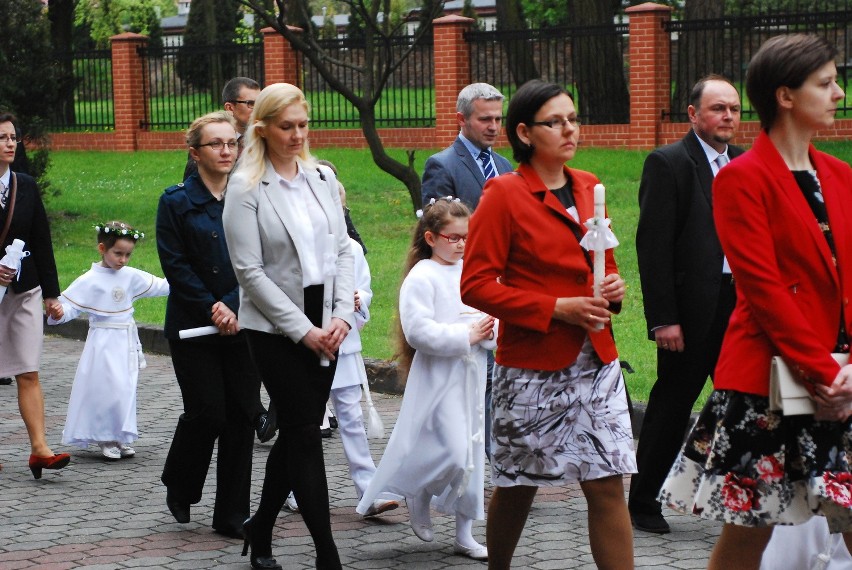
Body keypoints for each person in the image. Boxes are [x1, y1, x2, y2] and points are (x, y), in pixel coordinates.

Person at [658, 34, 852, 570]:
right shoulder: (742, 179)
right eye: (826, 82)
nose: (838, 92)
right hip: (769, 383)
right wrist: (822, 373)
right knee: (750, 534)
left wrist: (848, 373)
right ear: (785, 95)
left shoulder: (841, 176)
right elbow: (762, 289)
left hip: (842, 380)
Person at [461, 79, 635, 570]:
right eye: (554, 122)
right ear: (524, 132)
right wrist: (556, 307)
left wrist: (613, 290)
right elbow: (475, 285)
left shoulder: (589, 185)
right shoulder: (504, 194)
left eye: (573, 119)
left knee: (606, 485)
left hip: (595, 361)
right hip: (533, 367)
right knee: (518, 486)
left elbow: (604, 264)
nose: (568, 129)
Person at [223, 82, 354, 570]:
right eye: (287, 127)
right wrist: (302, 330)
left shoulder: (321, 177)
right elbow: (249, 273)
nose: (298, 134)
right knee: (303, 433)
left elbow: (343, 249)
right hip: (274, 329)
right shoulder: (245, 186)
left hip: (326, 321)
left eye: (303, 124)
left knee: (298, 432)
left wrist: (341, 315)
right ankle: (327, 554)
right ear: (263, 129)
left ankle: (260, 530)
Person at [628, 75, 744, 534]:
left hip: (740, 305)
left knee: (743, 404)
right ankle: (642, 501)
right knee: (674, 403)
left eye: (734, 108)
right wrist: (664, 320)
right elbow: (653, 248)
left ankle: (738, 497)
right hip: (692, 311)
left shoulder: (744, 162)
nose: (728, 117)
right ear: (694, 114)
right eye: (718, 109)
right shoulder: (669, 163)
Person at [356, 197, 495, 560]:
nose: (462, 244)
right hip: (438, 376)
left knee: (472, 452)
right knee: (452, 450)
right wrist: (466, 335)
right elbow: (418, 331)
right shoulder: (421, 276)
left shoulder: (473, 270)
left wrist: (490, 331)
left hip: (472, 372)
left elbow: (492, 313)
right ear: (431, 238)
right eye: (453, 238)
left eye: (467, 237)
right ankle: (419, 492)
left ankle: (465, 532)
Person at [157, 111, 258, 539]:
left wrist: (234, 304)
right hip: (193, 326)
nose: (226, 150)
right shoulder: (176, 200)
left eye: (232, 143)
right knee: (208, 413)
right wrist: (212, 307)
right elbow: (175, 264)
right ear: (195, 152)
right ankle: (180, 483)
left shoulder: (250, 195)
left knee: (242, 416)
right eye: (215, 144)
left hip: (244, 322)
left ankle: (232, 514)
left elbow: (259, 258)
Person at [182, 77, 277, 445]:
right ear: (230, 107)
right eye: (249, 103)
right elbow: (192, 241)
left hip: (252, 286)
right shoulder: (197, 173)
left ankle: (260, 412)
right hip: (214, 293)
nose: (255, 110)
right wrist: (218, 302)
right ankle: (255, 414)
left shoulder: (262, 150)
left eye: (260, 103)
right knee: (211, 407)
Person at [421, 82, 513, 459]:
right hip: (464, 283)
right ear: (462, 119)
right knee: (475, 374)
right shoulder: (442, 165)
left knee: (499, 372)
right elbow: (436, 225)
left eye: (497, 118)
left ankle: (497, 454)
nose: (493, 126)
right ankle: (466, 454)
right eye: (484, 119)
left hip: (503, 283)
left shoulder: (505, 166)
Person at [47, 221, 169, 460]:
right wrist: (59, 313)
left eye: (128, 255)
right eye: (118, 253)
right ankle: (105, 437)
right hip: (102, 342)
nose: (123, 260)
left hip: (125, 341)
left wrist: (188, 280)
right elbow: (69, 307)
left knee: (125, 388)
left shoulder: (130, 276)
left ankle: (121, 435)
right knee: (106, 389)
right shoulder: (89, 279)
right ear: (102, 249)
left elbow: (162, 285)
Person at [0, 112, 70, 478]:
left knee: (29, 369)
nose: (11, 143)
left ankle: (40, 449)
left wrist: (52, 294)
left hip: (24, 289)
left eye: (14, 137)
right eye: (2, 137)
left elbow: (41, 239)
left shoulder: (24, 185)